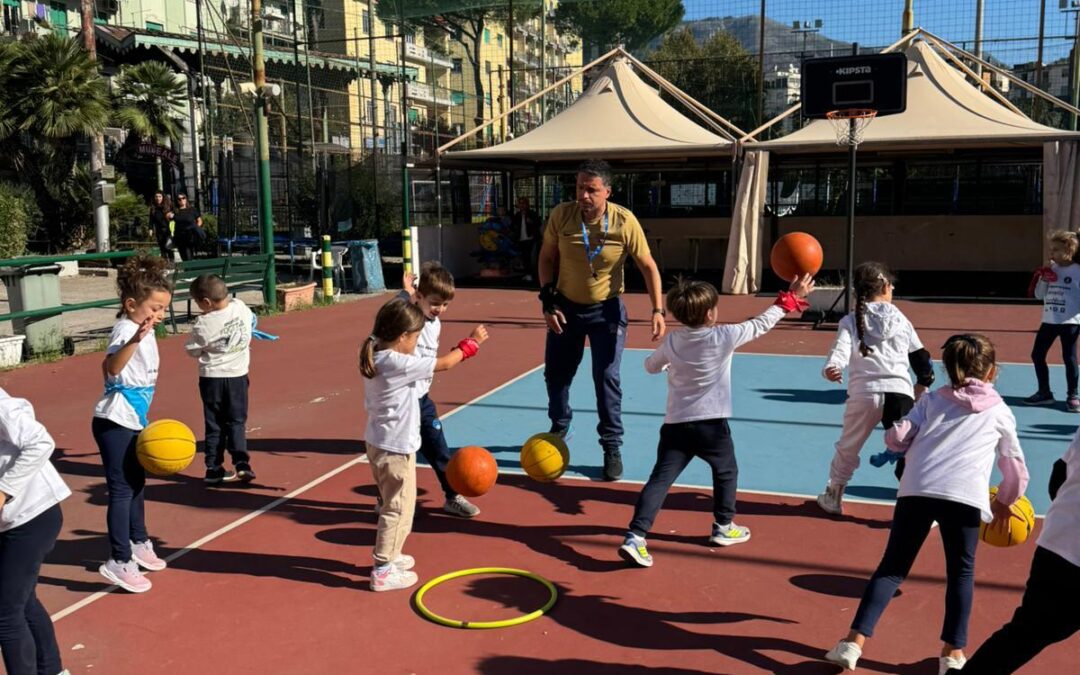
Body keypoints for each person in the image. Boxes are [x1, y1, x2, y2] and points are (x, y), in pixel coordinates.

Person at [824, 333, 1030, 675]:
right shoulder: (1000, 412)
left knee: (892, 568)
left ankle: (852, 643)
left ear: (948, 368)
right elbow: (1015, 468)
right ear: (993, 371)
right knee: (960, 573)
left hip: (916, 491)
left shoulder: (931, 401)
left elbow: (898, 436)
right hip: (964, 498)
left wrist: (895, 442)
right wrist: (1006, 500)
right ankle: (952, 654)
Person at [619, 275, 814, 567]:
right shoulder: (724, 336)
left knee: (659, 479)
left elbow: (650, 366)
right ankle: (723, 526)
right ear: (710, 313)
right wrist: (790, 298)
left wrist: (668, 365)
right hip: (711, 425)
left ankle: (635, 536)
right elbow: (762, 323)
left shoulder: (673, 340)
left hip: (676, 425)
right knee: (726, 471)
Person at [538, 159, 665, 481]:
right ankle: (560, 423)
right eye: (580, 187)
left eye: (592, 189)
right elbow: (547, 257)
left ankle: (611, 446)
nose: (584, 195)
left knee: (606, 377)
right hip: (565, 307)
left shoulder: (624, 221)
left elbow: (648, 266)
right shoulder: (561, 215)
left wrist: (657, 310)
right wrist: (547, 300)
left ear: (607, 191)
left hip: (606, 310)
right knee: (556, 375)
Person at [360, 298, 488, 592]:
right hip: (395, 448)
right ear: (402, 336)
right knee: (398, 508)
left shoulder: (377, 352)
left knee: (400, 505)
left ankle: (391, 556)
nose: (418, 343)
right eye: (416, 338)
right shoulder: (397, 362)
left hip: (379, 443)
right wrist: (472, 343)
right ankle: (382, 569)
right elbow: (444, 363)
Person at [948, 434, 1080, 674]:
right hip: (1066, 547)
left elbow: (1059, 473)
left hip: (1059, 542)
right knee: (1034, 630)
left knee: (1027, 632)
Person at [817, 262, 935, 515]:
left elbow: (840, 350)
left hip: (864, 393)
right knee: (911, 450)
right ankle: (918, 504)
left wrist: (833, 367)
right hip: (899, 392)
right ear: (883, 287)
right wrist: (923, 383)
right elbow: (921, 356)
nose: (893, 288)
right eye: (891, 285)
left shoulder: (850, 320)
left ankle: (834, 495)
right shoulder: (901, 319)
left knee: (848, 446)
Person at [92, 254, 172, 594]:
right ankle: (119, 559)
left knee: (137, 484)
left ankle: (139, 541)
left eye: (164, 309)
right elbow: (111, 366)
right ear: (130, 304)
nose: (160, 315)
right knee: (122, 489)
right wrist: (135, 339)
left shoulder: (145, 329)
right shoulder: (127, 329)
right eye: (155, 307)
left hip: (133, 418)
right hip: (114, 421)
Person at [396, 263, 482, 517]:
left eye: (445, 305)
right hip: (402, 401)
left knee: (439, 448)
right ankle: (388, 498)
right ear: (419, 297)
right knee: (401, 457)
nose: (440, 309)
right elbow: (442, 364)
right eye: (435, 303)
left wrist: (407, 291)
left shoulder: (434, 321)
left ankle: (452, 496)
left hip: (421, 399)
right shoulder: (408, 317)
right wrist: (470, 344)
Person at [0, 388, 72, 675]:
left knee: (5, 613)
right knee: (21, 599)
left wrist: (3, 491)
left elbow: (40, 442)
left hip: (33, 517)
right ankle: (52, 671)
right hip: (12, 521)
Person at [184, 274, 256, 485]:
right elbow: (249, 320)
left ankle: (213, 467)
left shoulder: (202, 324)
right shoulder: (241, 307)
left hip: (212, 378)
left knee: (214, 423)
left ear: (206, 302)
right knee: (236, 421)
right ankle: (241, 463)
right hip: (237, 376)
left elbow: (193, 350)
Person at [1025, 230, 1080, 411]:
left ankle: (1073, 395)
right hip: (1049, 320)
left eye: (1056, 250)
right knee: (1037, 354)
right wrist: (1044, 278)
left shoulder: (1077, 271)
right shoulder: (1051, 269)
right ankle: (1044, 392)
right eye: (1052, 249)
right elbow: (1039, 295)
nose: (1052, 253)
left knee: (1069, 357)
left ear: (1069, 250)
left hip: (1070, 321)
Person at [513, 196, 542, 281]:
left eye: (523, 203)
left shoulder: (532, 213)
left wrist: (531, 222)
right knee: (525, 257)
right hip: (521, 239)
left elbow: (538, 223)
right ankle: (527, 274)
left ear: (527, 204)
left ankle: (532, 274)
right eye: (520, 203)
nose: (522, 205)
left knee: (532, 257)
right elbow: (513, 226)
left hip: (531, 239)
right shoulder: (517, 215)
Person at [171, 192, 203, 262]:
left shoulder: (192, 209)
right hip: (179, 237)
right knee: (184, 257)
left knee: (189, 255)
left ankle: (190, 271)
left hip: (189, 236)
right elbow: (169, 220)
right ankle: (188, 270)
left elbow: (199, 220)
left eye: (183, 198)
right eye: (179, 199)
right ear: (177, 201)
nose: (181, 200)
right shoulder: (176, 211)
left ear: (186, 199)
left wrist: (196, 228)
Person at [148, 191, 174, 260]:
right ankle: (165, 265)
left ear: (163, 197)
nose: (158, 198)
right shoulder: (153, 208)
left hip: (168, 230)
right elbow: (151, 220)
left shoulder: (168, 206)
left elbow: (174, 218)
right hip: (159, 231)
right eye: (156, 197)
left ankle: (172, 264)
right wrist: (150, 229)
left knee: (168, 248)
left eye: (160, 196)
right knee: (162, 249)